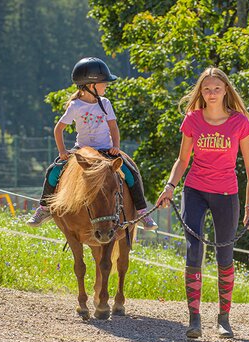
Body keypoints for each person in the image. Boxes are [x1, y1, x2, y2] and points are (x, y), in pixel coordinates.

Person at [156, 67, 249, 339]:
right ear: (200, 92)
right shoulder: (192, 120)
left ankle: (224, 318)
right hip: (195, 190)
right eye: (206, 89)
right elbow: (182, 160)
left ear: (226, 90)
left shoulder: (239, 123)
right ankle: (194, 318)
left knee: (225, 255)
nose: (212, 94)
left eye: (216, 88)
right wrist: (169, 187)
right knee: (194, 250)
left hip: (226, 193)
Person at [26, 57, 157, 231]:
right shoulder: (75, 105)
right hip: (81, 150)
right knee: (53, 170)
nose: (107, 86)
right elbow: (59, 129)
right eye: (104, 83)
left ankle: (141, 212)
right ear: (91, 85)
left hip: (105, 149)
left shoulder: (106, 103)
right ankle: (43, 209)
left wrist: (116, 146)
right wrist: (63, 151)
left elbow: (113, 127)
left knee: (131, 173)